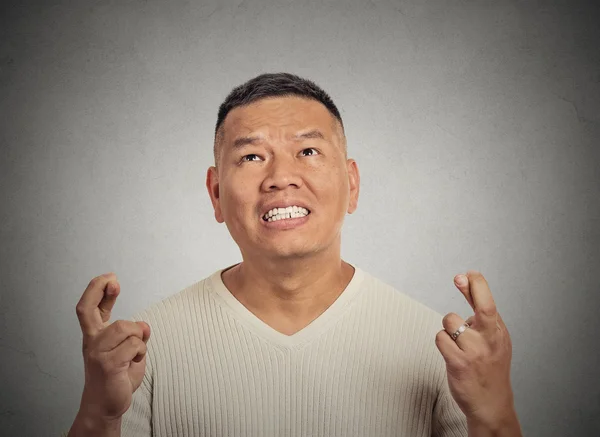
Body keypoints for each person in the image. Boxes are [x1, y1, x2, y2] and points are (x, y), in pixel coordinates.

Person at [67, 73, 523, 437]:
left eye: (308, 150)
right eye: (250, 157)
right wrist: (98, 418)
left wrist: (495, 412)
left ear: (353, 184)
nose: (281, 177)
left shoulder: (444, 353)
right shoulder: (144, 352)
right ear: (216, 195)